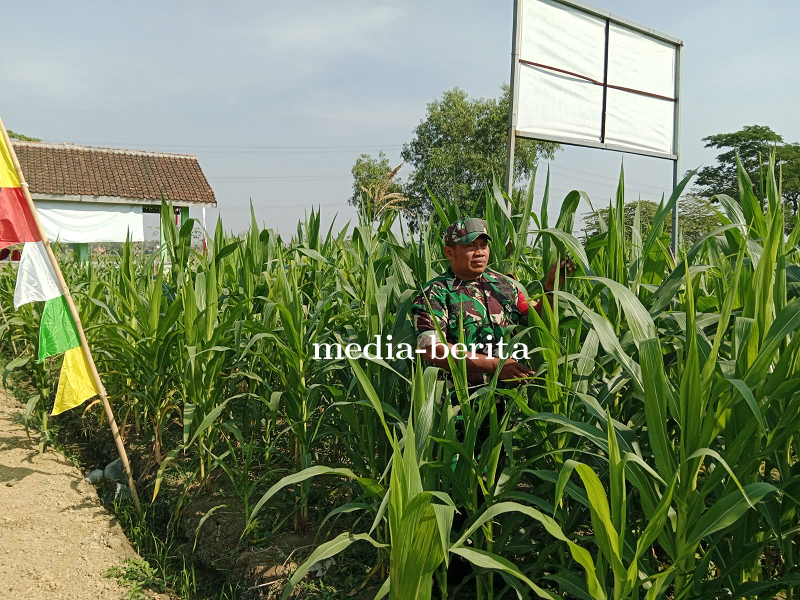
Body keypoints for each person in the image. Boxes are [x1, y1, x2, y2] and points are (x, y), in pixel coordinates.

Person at [411, 217, 574, 385]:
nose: (480, 252)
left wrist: (550, 287)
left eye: (484, 245)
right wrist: (495, 365)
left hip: (511, 400)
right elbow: (432, 349)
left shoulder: (506, 285)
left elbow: (537, 324)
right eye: (470, 246)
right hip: (461, 401)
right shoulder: (436, 292)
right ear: (449, 252)